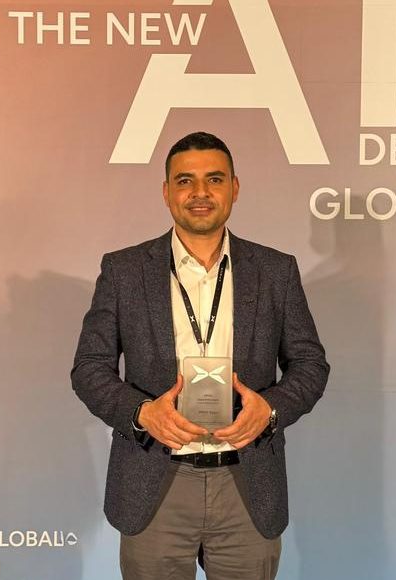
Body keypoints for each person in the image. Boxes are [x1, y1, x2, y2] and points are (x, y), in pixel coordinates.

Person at [71, 131, 329, 579]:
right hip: (154, 480)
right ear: (167, 192)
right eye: (185, 181)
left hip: (247, 482)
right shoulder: (124, 270)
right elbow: (89, 368)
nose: (200, 192)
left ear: (234, 188)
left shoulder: (276, 270)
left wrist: (270, 410)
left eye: (214, 179)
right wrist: (142, 413)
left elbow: (310, 365)